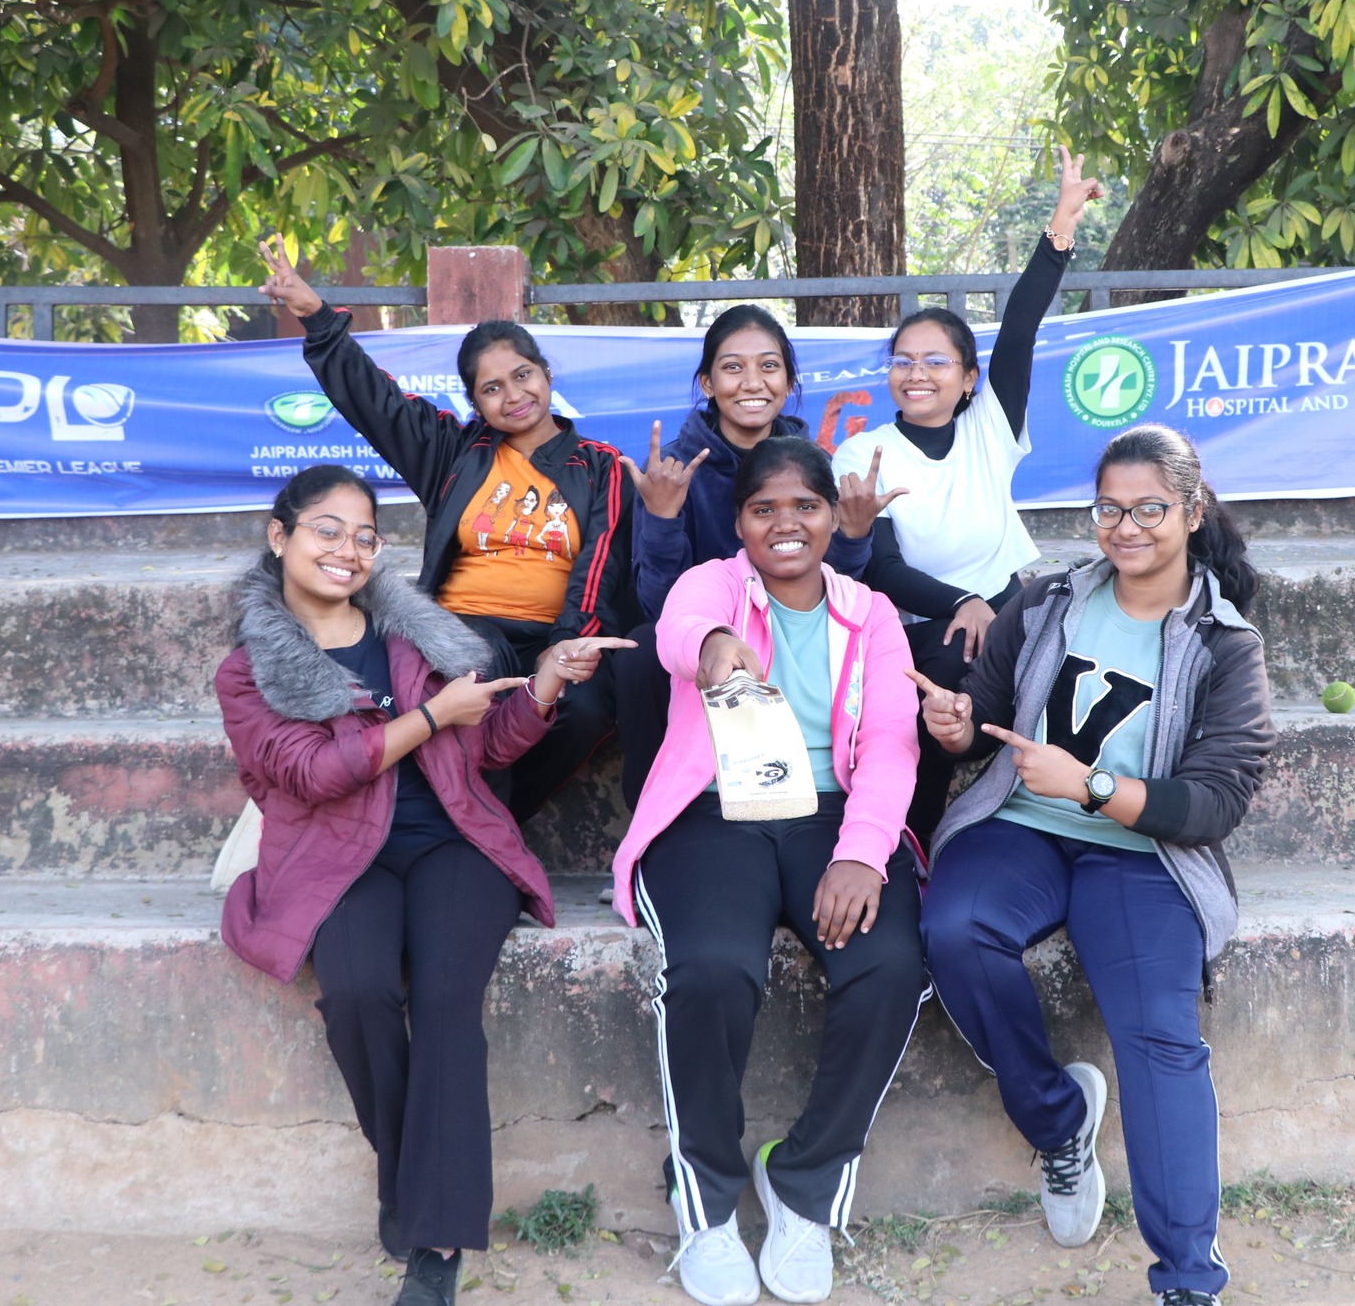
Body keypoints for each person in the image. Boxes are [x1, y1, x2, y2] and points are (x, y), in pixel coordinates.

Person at [215, 465, 630, 1306]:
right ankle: (409, 1172)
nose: (348, 549)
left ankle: (434, 1242)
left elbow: (485, 747)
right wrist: (434, 715)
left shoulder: (415, 636)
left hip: (455, 841)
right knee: (359, 992)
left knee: (444, 997)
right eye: (328, 529)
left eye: (365, 535)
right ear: (280, 536)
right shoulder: (249, 670)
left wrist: (546, 681)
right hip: (336, 854)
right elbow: (313, 772)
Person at [909, 426, 1274, 1306]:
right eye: (1110, 508)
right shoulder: (1048, 600)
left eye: (1149, 509)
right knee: (954, 927)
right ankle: (1059, 1120)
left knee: (1158, 1035)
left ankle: (1187, 1280)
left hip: (1144, 854)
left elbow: (1216, 801)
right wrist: (957, 726)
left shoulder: (1225, 645)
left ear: (1192, 511)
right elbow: (987, 716)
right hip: (1023, 828)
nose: (1126, 527)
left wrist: (1094, 785)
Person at [611, 438, 926, 1306]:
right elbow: (679, 630)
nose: (786, 524)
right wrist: (716, 647)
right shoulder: (712, 585)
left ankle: (804, 1183)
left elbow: (892, 743)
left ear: (832, 517)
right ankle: (706, 1201)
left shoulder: (872, 614)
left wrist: (862, 852)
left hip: (832, 817)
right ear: (740, 521)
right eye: (764, 509)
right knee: (714, 967)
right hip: (715, 814)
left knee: (891, 965)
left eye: (805, 507)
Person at [259, 238, 630, 823]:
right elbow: (376, 401)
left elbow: (600, 566)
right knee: (476, 666)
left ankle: (487, 822)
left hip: (554, 632)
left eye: (523, 375)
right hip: (459, 629)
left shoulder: (601, 465)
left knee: (586, 711)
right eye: (492, 388)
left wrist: (565, 644)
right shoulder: (454, 453)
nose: (514, 395)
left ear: (546, 374)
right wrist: (316, 317)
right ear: (475, 403)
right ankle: (463, 824)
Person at [831, 149, 1103, 850]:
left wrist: (1060, 227)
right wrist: (961, 602)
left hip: (1007, 606)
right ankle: (911, 843)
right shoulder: (861, 454)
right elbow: (880, 567)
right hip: (921, 626)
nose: (916, 373)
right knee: (937, 685)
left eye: (935, 361)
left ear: (968, 377)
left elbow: (1020, 328)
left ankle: (1075, 823)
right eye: (903, 361)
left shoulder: (990, 424)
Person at [615, 306, 885, 806]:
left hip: (795, 627)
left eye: (769, 366)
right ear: (708, 382)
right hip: (706, 636)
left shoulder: (813, 464)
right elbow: (660, 607)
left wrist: (854, 534)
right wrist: (662, 518)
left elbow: (839, 585)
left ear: (788, 382)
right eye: (733, 367)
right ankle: (653, 820)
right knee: (642, 652)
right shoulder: (672, 470)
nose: (752, 382)